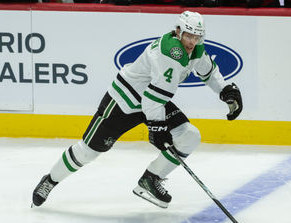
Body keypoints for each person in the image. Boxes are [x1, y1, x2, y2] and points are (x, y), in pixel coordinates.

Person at [32, 11, 243, 209]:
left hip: (154, 100)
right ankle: (50, 180)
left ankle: (150, 179)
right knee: (87, 152)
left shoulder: (196, 49)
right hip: (125, 101)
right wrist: (157, 127)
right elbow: (151, 99)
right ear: (178, 31)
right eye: (188, 36)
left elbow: (207, 71)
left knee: (189, 136)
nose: (192, 42)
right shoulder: (170, 54)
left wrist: (225, 90)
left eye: (197, 38)